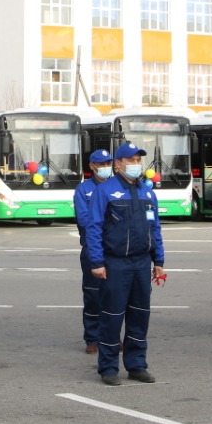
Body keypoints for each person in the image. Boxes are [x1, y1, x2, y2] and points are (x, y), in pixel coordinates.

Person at [86, 142, 166, 386]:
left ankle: (137, 365)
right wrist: (96, 261)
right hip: (115, 263)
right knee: (112, 316)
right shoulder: (106, 191)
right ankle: (108, 367)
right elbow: (94, 228)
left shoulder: (147, 192)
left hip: (142, 263)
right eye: (131, 160)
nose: (136, 164)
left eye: (138, 160)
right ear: (118, 164)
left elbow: (155, 228)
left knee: (140, 316)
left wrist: (159, 260)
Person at [74, 149, 113, 354]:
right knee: (93, 295)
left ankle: (111, 338)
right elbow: (84, 219)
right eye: (102, 164)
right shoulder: (84, 189)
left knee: (114, 296)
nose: (106, 167)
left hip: (114, 250)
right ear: (92, 166)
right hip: (92, 249)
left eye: (108, 163)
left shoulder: (116, 187)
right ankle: (92, 338)